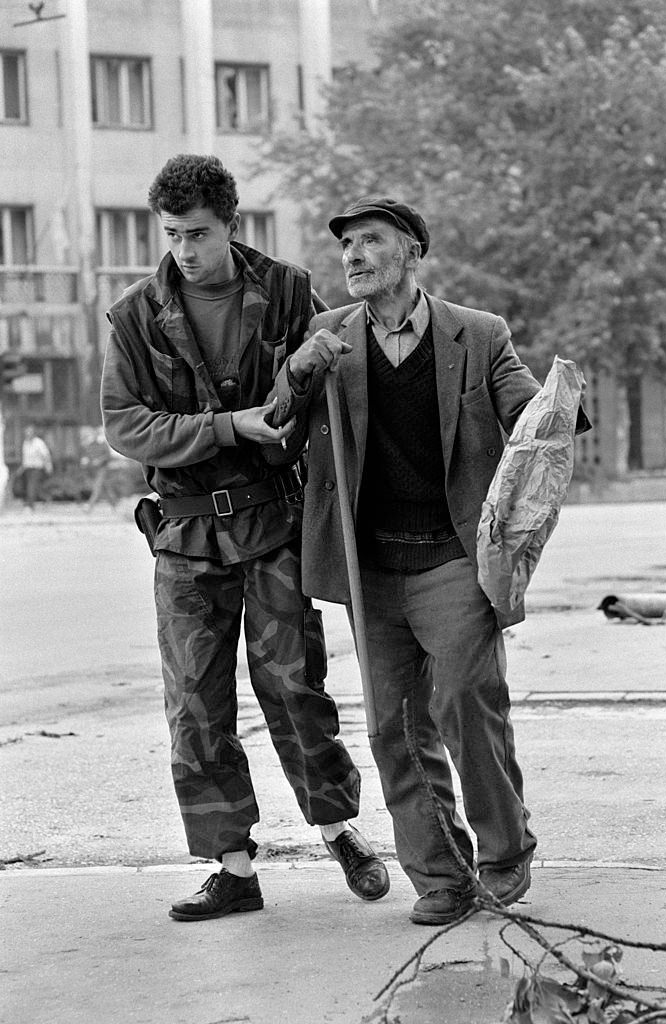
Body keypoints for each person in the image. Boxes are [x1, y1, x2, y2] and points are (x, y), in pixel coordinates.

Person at [265, 195, 590, 926]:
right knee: (393, 725)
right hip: (368, 565)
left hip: (452, 556)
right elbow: (278, 422)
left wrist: (557, 408)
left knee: (467, 701)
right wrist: (299, 370)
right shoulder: (327, 336)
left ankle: (504, 857)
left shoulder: (477, 335)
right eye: (346, 246)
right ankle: (440, 875)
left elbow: (530, 414)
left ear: (412, 253)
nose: (353, 257)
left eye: (370, 242)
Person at [100, 156, 389, 922]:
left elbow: (343, 378)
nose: (186, 250)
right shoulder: (134, 314)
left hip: (273, 523)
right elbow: (125, 425)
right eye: (172, 235)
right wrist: (229, 426)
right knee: (195, 705)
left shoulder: (291, 293)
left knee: (296, 687)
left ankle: (340, 830)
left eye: (199, 233)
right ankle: (233, 867)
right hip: (185, 532)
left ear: (231, 223)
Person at [20, 424, 52, 509]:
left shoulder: (39, 443)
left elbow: (46, 455)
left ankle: (30, 505)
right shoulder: (25, 442)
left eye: (29, 432)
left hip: (37, 468)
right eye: (26, 432)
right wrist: (21, 468)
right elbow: (25, 457)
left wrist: (48, 465)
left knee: (31, 485)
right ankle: (46, 498)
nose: (27, 434)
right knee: (34, 487)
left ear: (33, 433)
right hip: (27, 468)